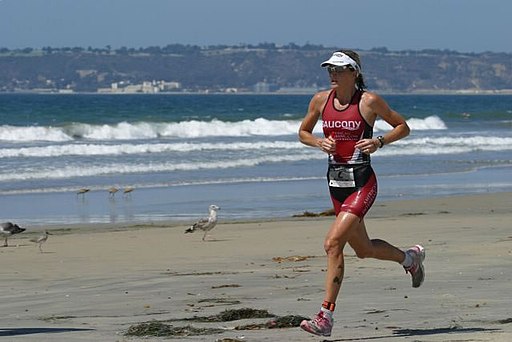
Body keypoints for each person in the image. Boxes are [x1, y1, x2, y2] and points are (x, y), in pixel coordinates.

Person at [297, 49, 425, 337]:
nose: (333, 74)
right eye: (330, 69)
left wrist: (379, 141)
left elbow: (403, 126)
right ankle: (409, 259)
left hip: (362, 182)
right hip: (335, 184)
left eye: (339, 69)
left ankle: (325, 316)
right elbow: (303, 132)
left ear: (354, 72)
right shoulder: (320, 100)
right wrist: (318, 143)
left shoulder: (369, 101)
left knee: (332, 244)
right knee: (363, 250)